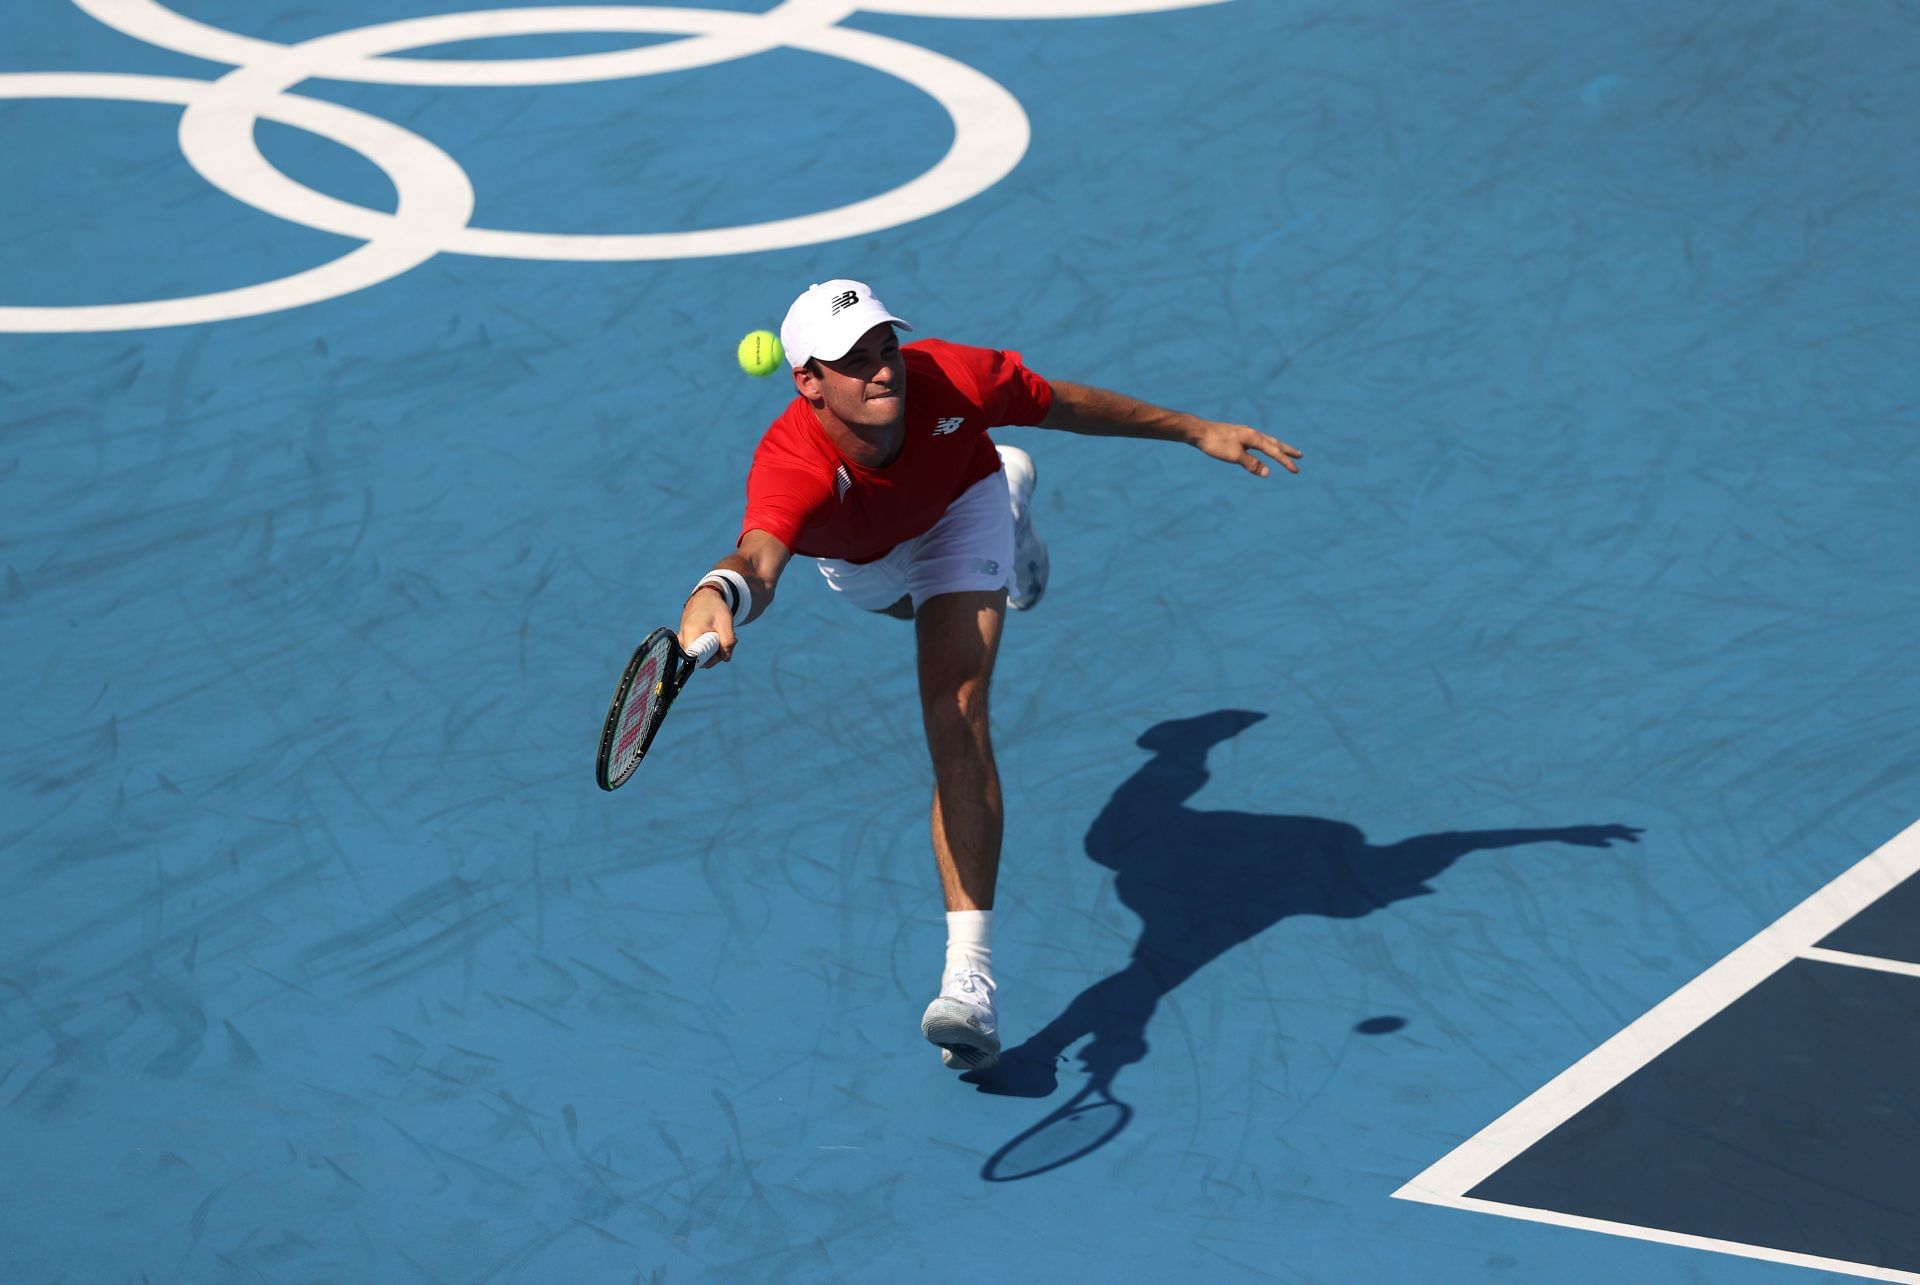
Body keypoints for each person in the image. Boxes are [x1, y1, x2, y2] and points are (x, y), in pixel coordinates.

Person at [678, 279, 1302, 1073]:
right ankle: (1018, 513)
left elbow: (1064, 402)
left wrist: (1193, 430)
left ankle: (969, 981)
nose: (882, 372)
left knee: (956, 706)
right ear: (808, 382)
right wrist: (717, 589)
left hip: (955, 505)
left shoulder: (952, 379)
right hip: (864, 562)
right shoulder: (792, 463)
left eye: (885, 349)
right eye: (853, 362)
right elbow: (760, 558)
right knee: (916, 616)